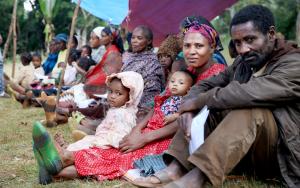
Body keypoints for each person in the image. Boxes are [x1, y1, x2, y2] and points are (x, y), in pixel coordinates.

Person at [136, 5, 300, 188]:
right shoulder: (244, 62)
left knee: (249, 108)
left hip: (280, 154)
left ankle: (198, 177)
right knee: (209, 105)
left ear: (270, 34)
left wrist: (198, 101)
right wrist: (190, 105)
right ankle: (176, 169)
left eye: (250, 39)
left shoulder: (294, 64)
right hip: (246, 153)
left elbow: (248, 93)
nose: (243, 49)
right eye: (237, 43)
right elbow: (208, 84)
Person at [31, 69, 194, 184]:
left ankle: (57, 163)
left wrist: (176, 115)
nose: (174, 85)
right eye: (172, 81)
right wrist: (138, 131)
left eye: (180, 83)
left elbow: (180, 123)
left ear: (190, 88)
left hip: (156, 141)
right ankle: (56, 163)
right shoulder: (163, 100)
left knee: (110, 159)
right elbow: (150, 115)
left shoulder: (187, 104)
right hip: (141, 135)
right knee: (100, 155)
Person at [67, 71, 144, 151]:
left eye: (118, 93)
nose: (112, 96)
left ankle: (69, 149)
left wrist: (100, 141)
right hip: (102, 137)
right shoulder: (118, 109)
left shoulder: (123, 114)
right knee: (84, 142)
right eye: (111, 91)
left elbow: (118, 137)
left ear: (131, 97)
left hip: (106, 144)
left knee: (84, 146)